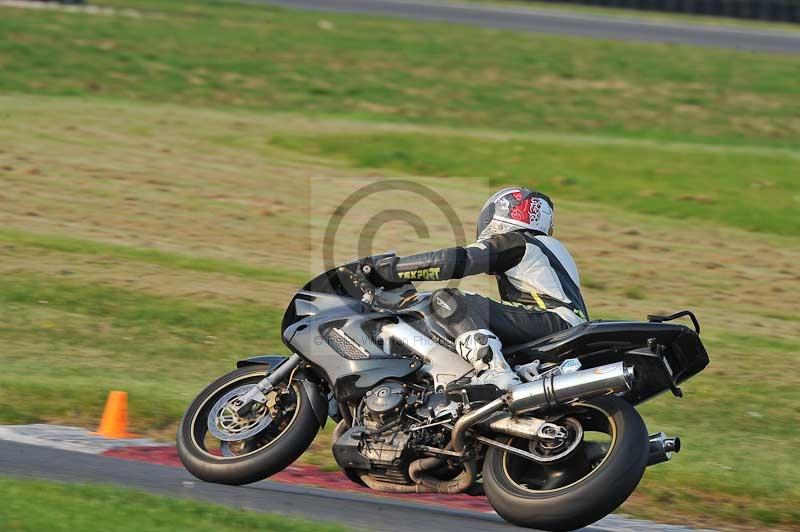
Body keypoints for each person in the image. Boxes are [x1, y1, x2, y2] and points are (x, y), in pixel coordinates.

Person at [371, 187, 588, 390]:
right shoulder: (547, 248)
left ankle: (493, 370)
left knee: (448, 298)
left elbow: (457, 260)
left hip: (554, 322)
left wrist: (392, 270)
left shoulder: (518, 242)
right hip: (564, 325)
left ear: (504, 212)